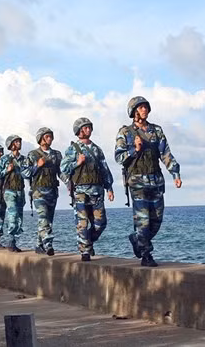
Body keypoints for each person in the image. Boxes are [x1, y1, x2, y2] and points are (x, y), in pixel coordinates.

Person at [114, 96, 182, 267]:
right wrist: (134, 149)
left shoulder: (156, 130)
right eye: (141, 107)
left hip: (156, 181)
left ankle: (137, 239)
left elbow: (165, 153)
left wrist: (175, 174)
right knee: (143, 222)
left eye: (146, 107)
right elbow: (119, 157)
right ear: (133, 111)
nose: (144, 110)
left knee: (156, 220)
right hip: (137, 182)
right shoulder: (125, 132)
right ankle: (146, 254)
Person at [60, 117, 114, 261]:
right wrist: (77, 163)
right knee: (82, 223)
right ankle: (84, 251)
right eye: (85, 127)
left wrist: (109, 187)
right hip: (80, 191)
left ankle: (87, 241)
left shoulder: (97, 149)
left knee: (100, 223)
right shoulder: (73, 149)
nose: (88, 129)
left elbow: (104, 168)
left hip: (97, 191)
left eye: (89, 127)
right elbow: (63, 168)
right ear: (79, 131)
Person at [23, 127, 63, 256]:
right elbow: (25, 173)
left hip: (52, 192)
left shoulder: (57, 155)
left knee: (48, 220)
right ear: (40, 139)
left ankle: (39, 244)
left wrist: (69, 183)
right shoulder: (33, 154)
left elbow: (60, 172)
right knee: (43, 217)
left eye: (51, 136)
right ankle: (48, 243)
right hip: (38, 192)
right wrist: (37, 165)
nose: (49, 138)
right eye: (47, 136)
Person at [0, 134, 28, 252]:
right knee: (12, 214)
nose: (19, 143)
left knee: (19, 217)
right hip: (9, 191)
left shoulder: (24, 159)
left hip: (20, 191)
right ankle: (10, 239)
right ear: (11, 144)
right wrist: (7, 170)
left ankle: (13, 241)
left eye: (19, 141)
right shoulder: (5, 159)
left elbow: (28, 174)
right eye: (16, 141)